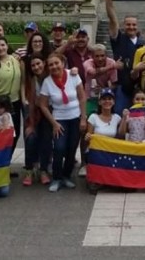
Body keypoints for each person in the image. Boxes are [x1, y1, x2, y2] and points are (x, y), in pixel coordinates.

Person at [37, 53, 87, 192]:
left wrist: (83, 118)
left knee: (72, 148)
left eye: (56, 63)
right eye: (51, 65)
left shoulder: (73, 75)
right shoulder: (47, 82)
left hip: (75, 117)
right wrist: (54, 123)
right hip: (59, 119)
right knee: (59, 148)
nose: (54, 66)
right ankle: (56, 177)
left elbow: (82, 97)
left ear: (63, 63)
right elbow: (43, 105)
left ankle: (66, 176)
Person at [105, 0, 141, 113]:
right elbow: (113, 20)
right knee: (120, 117)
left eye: (133, 25)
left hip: (140, 90)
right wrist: (108, 1)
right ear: (124, 26)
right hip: (122, 88)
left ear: (137, 26)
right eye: (128, 25)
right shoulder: (118, 39)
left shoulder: (143, 44)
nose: (131, 27)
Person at [22, 54, 51, 186]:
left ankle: (43, 170)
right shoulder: (31, 80)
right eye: (33, 65)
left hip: (49, 113)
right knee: (30, 138)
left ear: (44, 63)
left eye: (38, 63)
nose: (36, 67)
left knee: (46, 141)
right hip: (33, 113)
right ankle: (29, 169)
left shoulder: (50, 77)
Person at [83, 44, 119, 115]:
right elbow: (92, 72)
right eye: (97, 56)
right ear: (92, 56)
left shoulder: (111, 62)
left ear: (106, 55)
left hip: (104, 96)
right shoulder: (87, 63)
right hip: (89, 96)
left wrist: (103, 90)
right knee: (89, 116)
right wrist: (111, 67)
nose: (100, 59)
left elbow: (114, 83)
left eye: (102, 56)